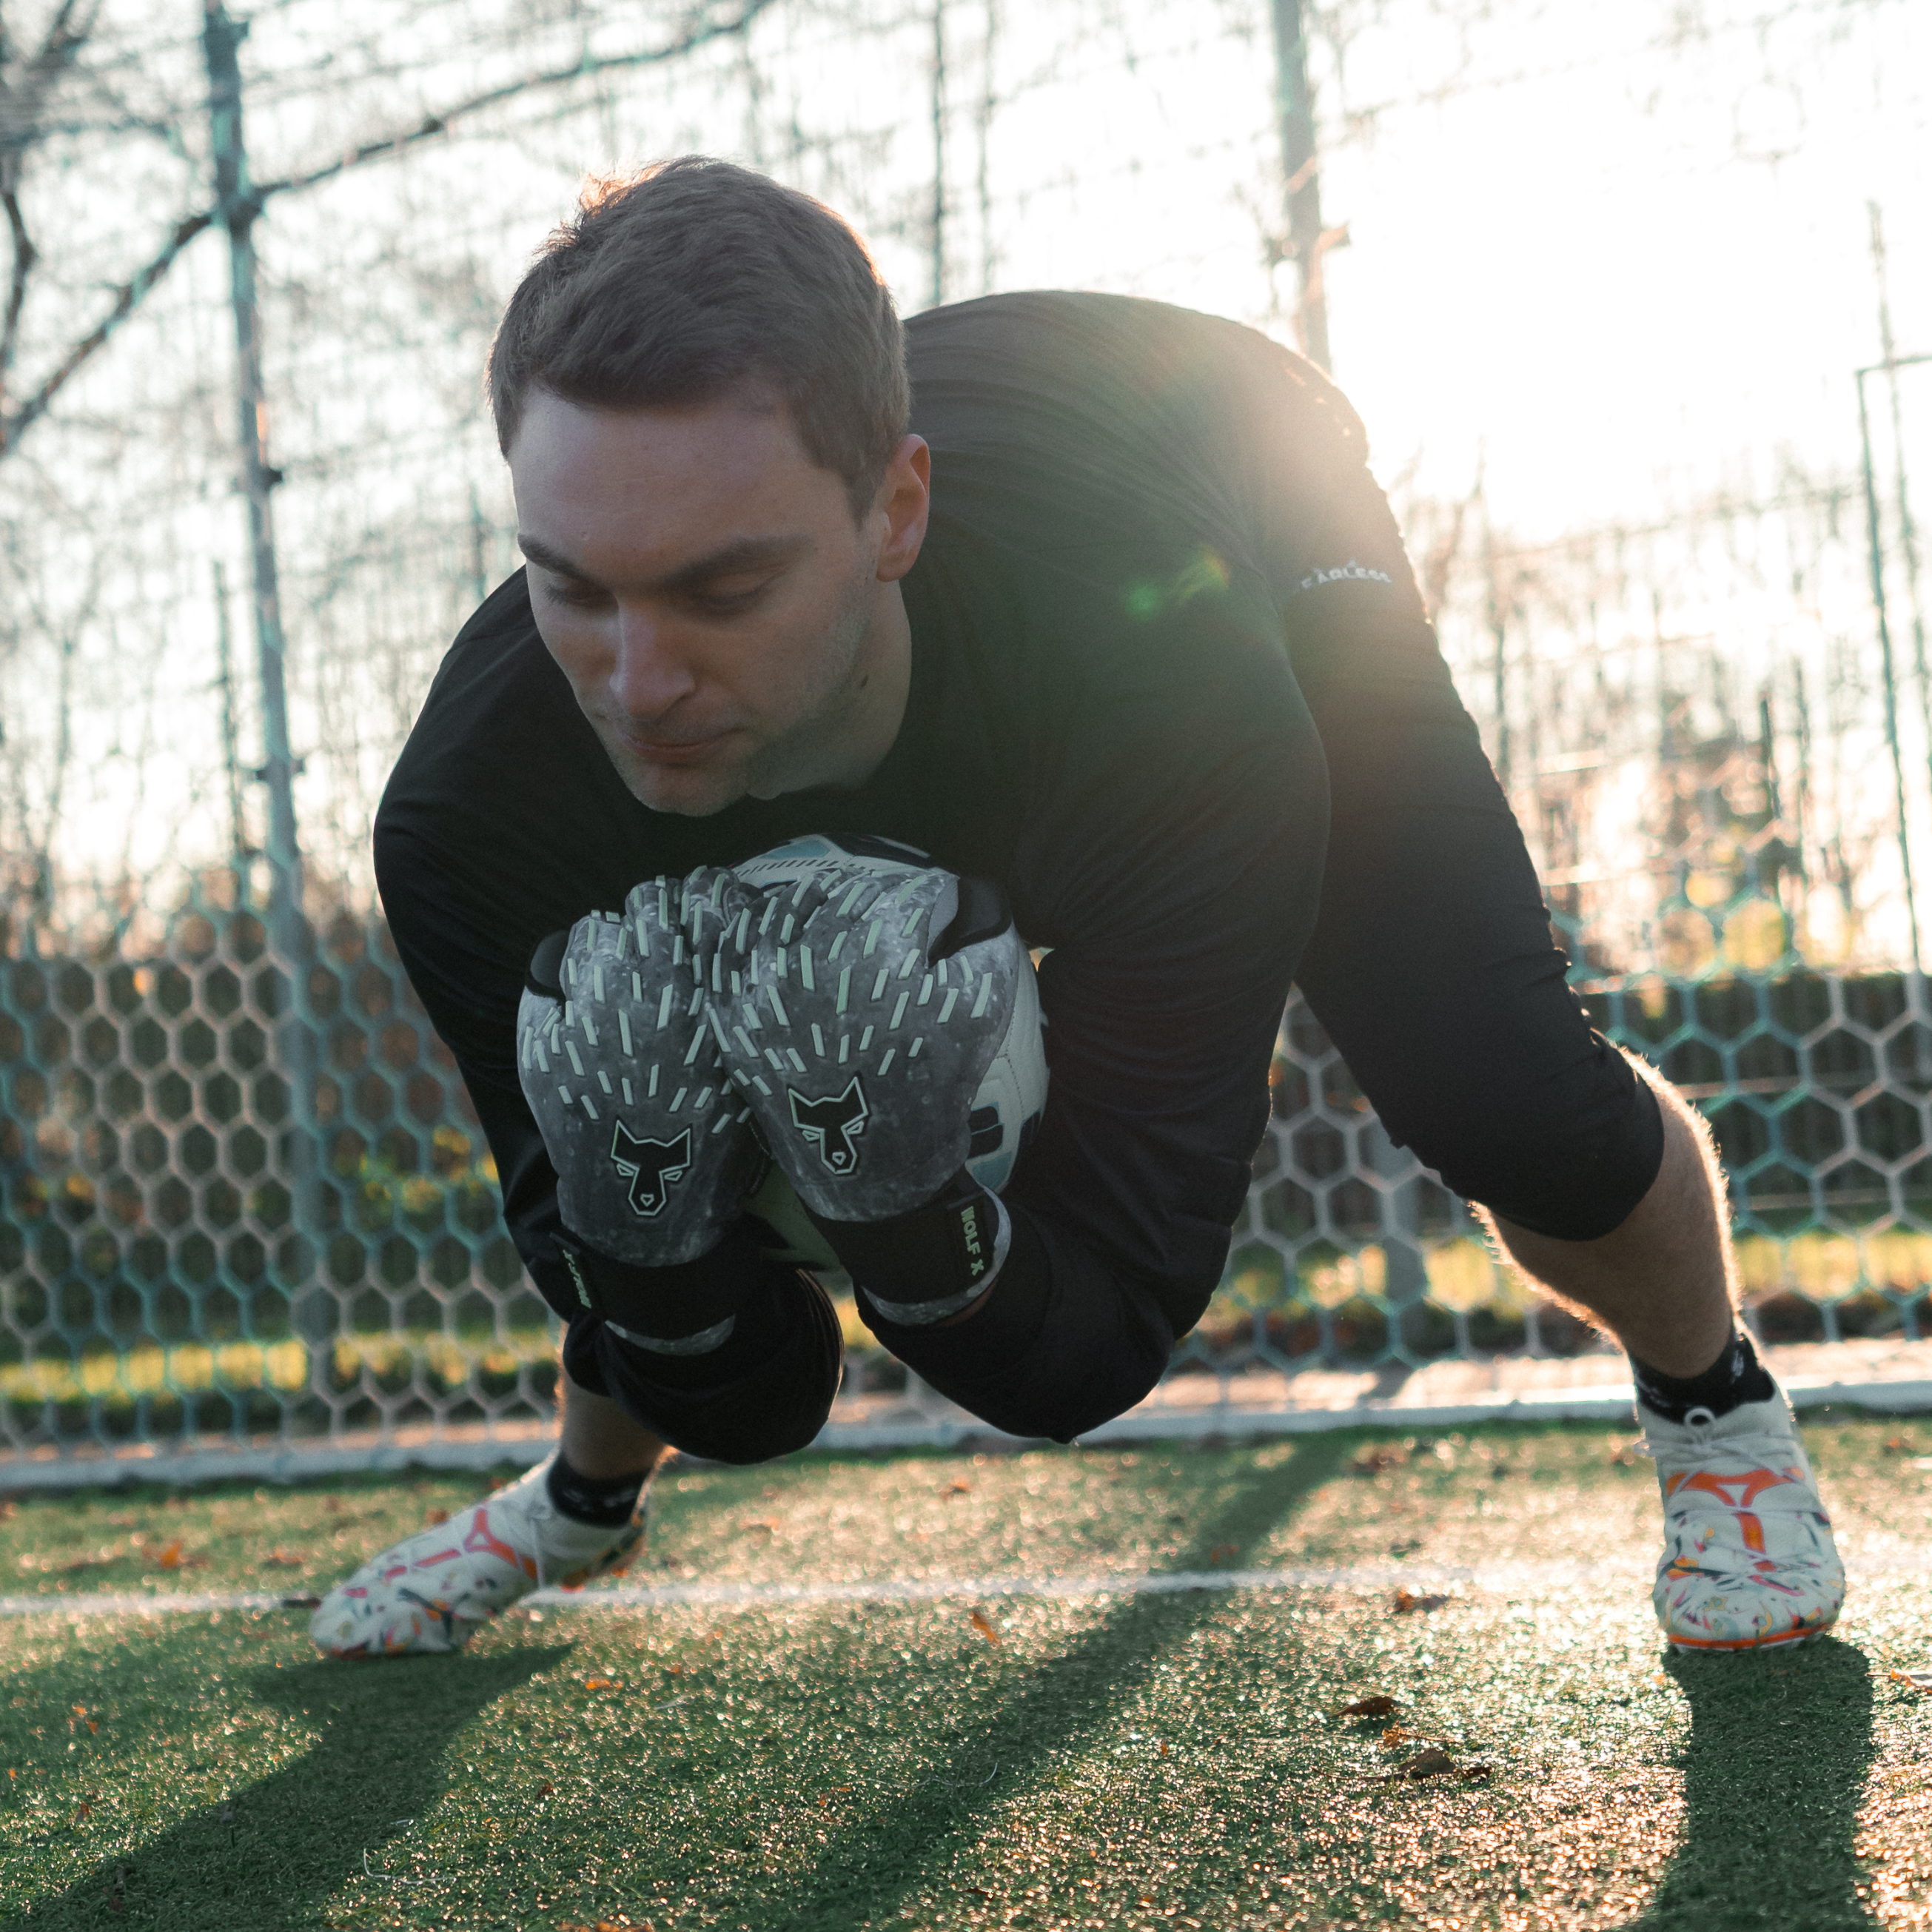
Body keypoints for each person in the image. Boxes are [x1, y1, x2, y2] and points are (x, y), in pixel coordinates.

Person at [309, 156, 1842, 1661]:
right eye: (571, 588)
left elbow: (1097, 1339)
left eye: (722, 593)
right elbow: (716, 1363)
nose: (636, 689)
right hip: (1022, 530)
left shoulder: (1168, 699)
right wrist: (664, 1203)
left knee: (1486, 1065)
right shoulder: (470, 814)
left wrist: (905, 1211)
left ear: (894, 515)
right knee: (638, 1130)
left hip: (1223, 475)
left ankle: (1715, 1403)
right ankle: (583, 1496)